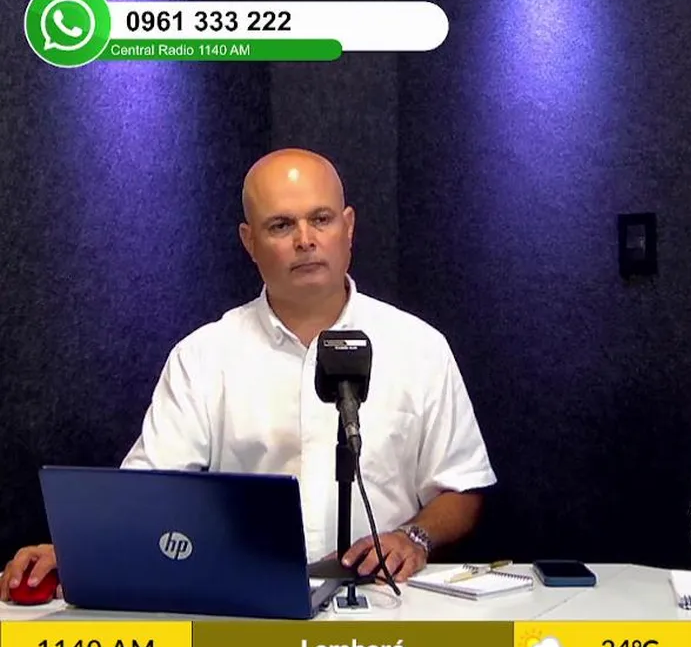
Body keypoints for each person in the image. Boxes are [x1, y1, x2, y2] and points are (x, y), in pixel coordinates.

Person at [1, 148, 496, 601]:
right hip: (243, 605)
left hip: (386, 603)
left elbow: (462, 488)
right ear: (249, 241)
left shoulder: (419, 347)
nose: (305, 240)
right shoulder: (204, 357)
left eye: (321, 219)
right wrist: (78, 549)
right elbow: (148, 494)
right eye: (281, 225)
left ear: (348, 227)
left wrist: (413, 537)